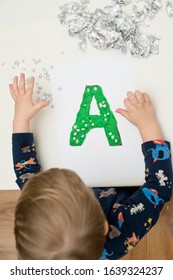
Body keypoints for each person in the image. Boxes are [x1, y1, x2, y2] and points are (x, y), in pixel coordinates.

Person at [10, 73, 173, 260]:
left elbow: (25, 169)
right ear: (105, 226)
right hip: (128, 186)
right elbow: (160, 187)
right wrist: (148, 124)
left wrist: (20, 119)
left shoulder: (37, 201)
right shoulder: (123, 230)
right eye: (79, 187)